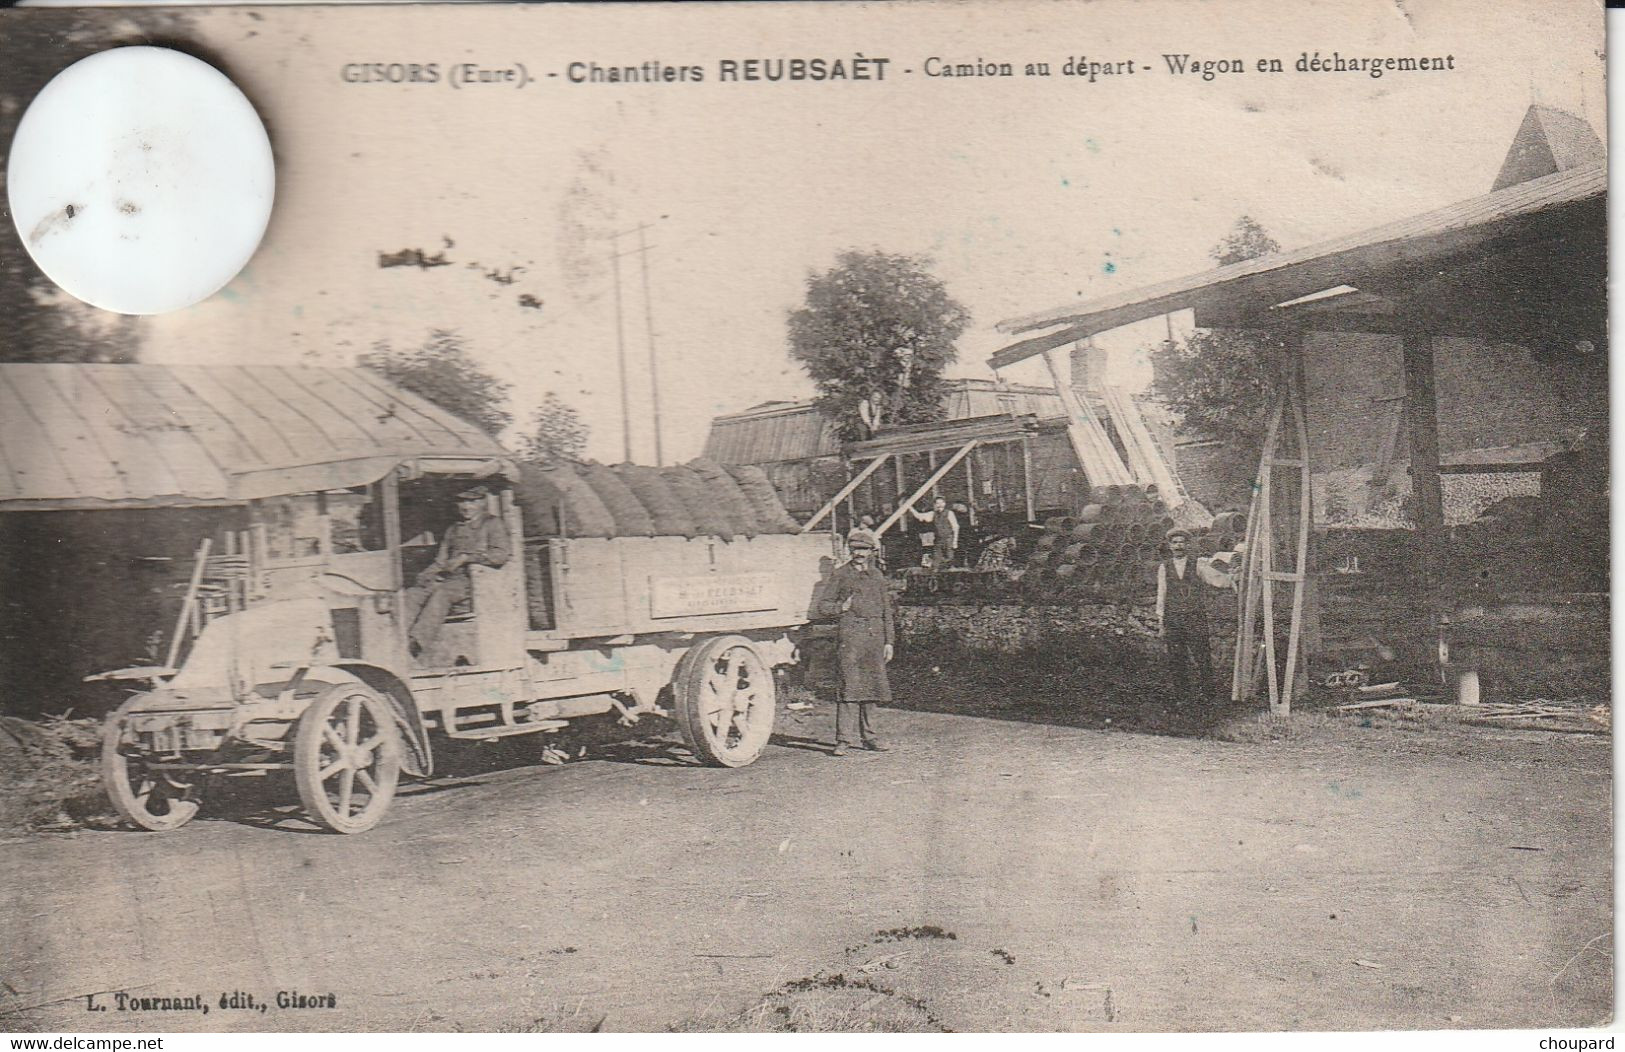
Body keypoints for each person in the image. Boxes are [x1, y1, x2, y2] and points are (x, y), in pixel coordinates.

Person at [404, 485, 511, 658]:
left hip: (475, 583)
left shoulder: (492, 524)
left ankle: (416, 643)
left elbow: (501, 555)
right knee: (412, 594)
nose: (466, 507)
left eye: (472, 502)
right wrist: (426, 575)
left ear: (482, 502)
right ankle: (398, 637)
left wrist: (467, 558)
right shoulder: (453, 529)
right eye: (462, 502)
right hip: (449, 579)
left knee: (442, 594)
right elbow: (440, 561)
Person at [820, 528, 893, 755]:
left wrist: (889, 641)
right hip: (850, 636)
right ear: (850, 551)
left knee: (872, 687)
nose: (859, 554)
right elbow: (823, 606)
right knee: (849, 688)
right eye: (855, 549)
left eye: (863, 549)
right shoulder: (840, 574)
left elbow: (887, 611)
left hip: (874, 637)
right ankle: (843, 739)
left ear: (872, 551)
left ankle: (870, 738)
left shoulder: (878, 576)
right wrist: (840, 608)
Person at [1156, 526, 1234, 704]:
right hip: (1173, 619)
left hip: (1194, 617)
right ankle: (1182, 697)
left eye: (1182, 542)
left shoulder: (1198, 564)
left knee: (1202, 656)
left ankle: (1208, 695)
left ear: (1187, 545)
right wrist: (1161, 621)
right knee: (1177, 658)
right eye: (1174, 543)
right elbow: (1162, 595)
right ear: (1170, 546)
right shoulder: (1164, 568)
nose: (1178, 546)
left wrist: (1232, 580)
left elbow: (1216, 579)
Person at [908, 495, 959, 571]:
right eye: (937, 503)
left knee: (950, 558)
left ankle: (950, 573)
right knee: (936, 560)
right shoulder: (933, 514)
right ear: (935, 505)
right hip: (938, 539)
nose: (940, 505)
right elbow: (920, 516)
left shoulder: (949, 513)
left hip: (949, 538)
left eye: (941, 503)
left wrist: (955, 541)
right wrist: (910, 508)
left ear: (944, 504)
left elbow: (956, 527)